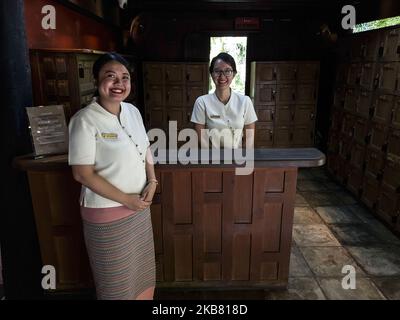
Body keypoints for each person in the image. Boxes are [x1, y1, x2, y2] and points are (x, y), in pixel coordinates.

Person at [68, 52, 156, 300]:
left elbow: (145, 148)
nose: (119, 83)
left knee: (142, 277)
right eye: (111, 76)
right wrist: (126, 199)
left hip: (139, 209)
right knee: (115, 284)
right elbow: (82, 174)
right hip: (107, 215)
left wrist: (153, 180)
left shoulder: (132, 112)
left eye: (125, 77)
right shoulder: (84, 120)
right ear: (97, 81)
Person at [191, 52, 258, 149]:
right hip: (211, 158)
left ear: (234, 74)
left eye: (227, 71)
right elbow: (202, 139)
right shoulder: (202, 102)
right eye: (217, 71)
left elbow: (249, 138)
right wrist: (215, 158)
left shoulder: (245, 102)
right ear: (211, 74)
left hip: (237, 158)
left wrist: (240, 159)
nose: (222, 76)